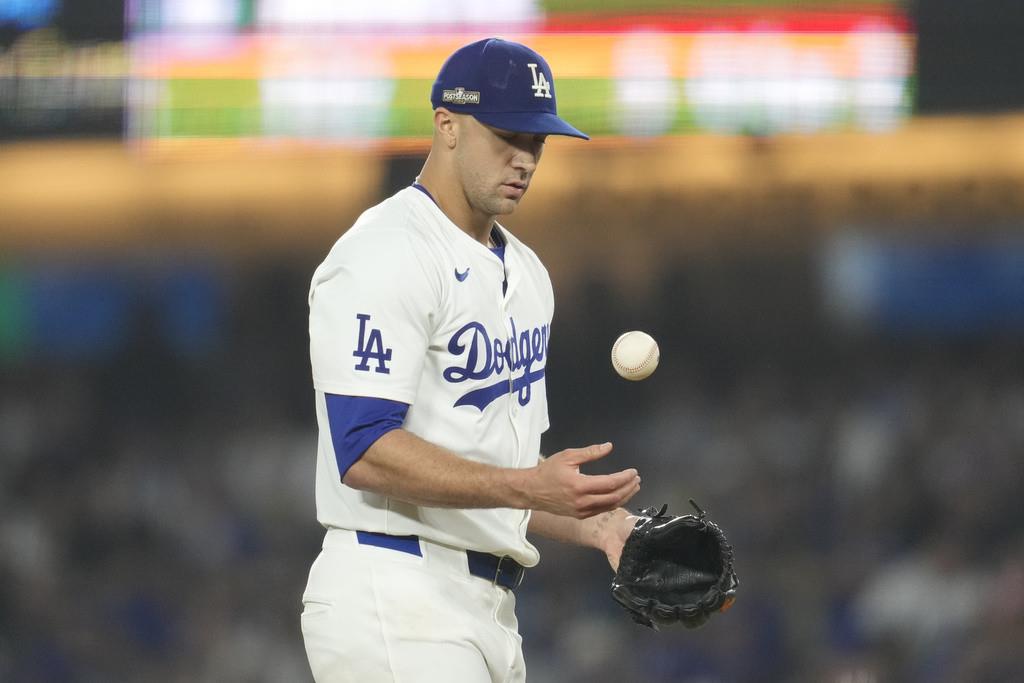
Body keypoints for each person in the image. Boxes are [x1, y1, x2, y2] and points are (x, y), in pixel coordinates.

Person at [301, 37, 642, 683]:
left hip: (485, 608)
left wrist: (592, 524)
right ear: (447, 125)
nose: (524, 158)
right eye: (507, 134)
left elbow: (496, 476)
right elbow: (363, 449)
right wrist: (526, 485)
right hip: (393, 588)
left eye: (537, 140)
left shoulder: (530, 274)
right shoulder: (385, 252)